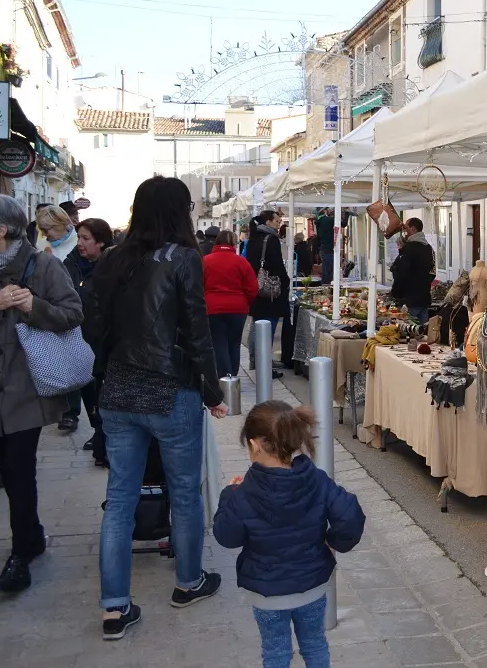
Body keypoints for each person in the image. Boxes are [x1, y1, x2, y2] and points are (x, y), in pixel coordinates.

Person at [85, 175, 228, 640]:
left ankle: (114, 607)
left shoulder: (111, 259)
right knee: (185, 492)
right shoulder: (184, 258)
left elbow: (95, 328)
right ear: (179, 211)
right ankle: (188, 582)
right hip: (171, 390)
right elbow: (195, 331)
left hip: (119, 391)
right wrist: (212, 391)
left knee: (120, 500)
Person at [0, 194, 84, 593]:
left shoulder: (43, 264)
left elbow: (73, 314)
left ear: (1, 231)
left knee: (18, 472)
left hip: (25, 390)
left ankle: (21, 554)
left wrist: (34, 305)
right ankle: (31, 537)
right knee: (5, 469)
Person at [214, 400, 365, 668]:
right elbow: (350, 515)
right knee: (315, 644)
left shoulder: (244, 493)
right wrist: (332, 542)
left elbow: (227, 537)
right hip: (312, 585)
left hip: (267, 592)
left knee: (276, 653)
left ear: (254, 445)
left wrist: (229, 495)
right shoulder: (315, 479)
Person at [62, 218, 115, 458]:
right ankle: (97, 429)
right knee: (87, 389)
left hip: (105, 339)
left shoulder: (113, 266)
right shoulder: (70, 263)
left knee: (103, 389)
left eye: (86, 238)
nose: (80, 243)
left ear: (101, 242)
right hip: (77, 338)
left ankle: (105, 434)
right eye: (79, 238)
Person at [204, 230, 259, 379]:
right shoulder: (241, 262)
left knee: (218, 342)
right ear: (234, 244)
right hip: (237, 307)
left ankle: (224, 376)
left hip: (212, 307)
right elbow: (253, 287)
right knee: (234, 343)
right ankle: (232, 375)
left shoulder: (205, 261)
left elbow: (197, 286)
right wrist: (244, 301)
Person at [247, 210, 291, 376]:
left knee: (257, 325)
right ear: (268, 222)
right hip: (270, 290)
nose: (279, 224)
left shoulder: (253, 237)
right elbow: (277, 265)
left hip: (256, 286)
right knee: (268, 328)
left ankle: (256, 360)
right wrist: (285, 281)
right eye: (277, 221)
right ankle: (265, 366)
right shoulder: (271, 239)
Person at [390, 218, 435, 324]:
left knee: (409, 333)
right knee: (423, 334)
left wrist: (396, 292)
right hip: (424, 298)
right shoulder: (429, 248)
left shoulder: (409, 249)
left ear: (413, 229)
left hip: (410, 300)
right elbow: (432, 273)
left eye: (406, 228)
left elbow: (401, 273)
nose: (404, 232)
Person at [315, 208, 334, 284]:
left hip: (323, 248)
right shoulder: (327, 220)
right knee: (329, 270)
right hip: (328, 248)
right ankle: (327, 286)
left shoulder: (319, 222)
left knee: (326, 269)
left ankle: (325, 285)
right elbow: (343, 223)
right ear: (325, 210)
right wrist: (346, 213)